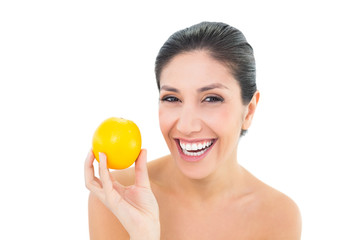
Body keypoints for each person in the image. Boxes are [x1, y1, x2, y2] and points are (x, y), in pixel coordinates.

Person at [85, 21, 302, 239]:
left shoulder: (279, 215)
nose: (186, 126)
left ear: (249, 111)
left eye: (211, 99)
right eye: (172, 98)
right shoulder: (116, 197)